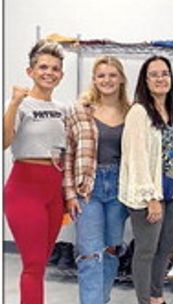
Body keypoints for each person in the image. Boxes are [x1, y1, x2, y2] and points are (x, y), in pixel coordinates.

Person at [3, 39, 66, 304]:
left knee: (42, 263)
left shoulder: (63, 109)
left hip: (55, 190)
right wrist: (14, 104)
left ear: (61, 75)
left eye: (54, 68)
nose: (48, 73)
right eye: (43, 67)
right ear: (31, 71)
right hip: (24, 190)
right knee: (33, 265)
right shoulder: (19, 103)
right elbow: (4, 142)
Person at [64, 55, 130, 304]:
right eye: (101, 75)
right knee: (90, 254)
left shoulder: (132, 112)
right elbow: (68, 153)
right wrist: (70, 193)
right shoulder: (79, 111)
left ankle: (100, 299)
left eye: (112, 75)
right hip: (87, 188)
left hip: (119, 188)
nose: (107, 80)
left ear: (121, 78)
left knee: (111, 250)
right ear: (94, 79)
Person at [119, 55, 173, 304]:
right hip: (150, 195)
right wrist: (150, 197)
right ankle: (145, 300)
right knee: (146, 251)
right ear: (145, 81)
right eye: (154, 74)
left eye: (165, 73)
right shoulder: (139, 112)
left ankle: (157, 297)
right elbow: (136, 157)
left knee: (165, 248)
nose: (160, 78)